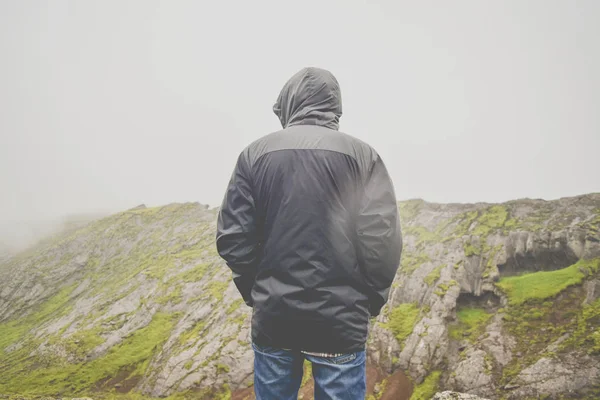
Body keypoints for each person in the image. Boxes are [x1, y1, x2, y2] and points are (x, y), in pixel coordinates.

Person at [216, 67, 402, 400]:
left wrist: (258, 294)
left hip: (275, 317)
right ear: (334, 106)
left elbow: (233, 239)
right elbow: (382, 242)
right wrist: (367, 302)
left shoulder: (254, 155)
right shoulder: (364, 157)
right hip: (340, 321)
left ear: (289, 102)